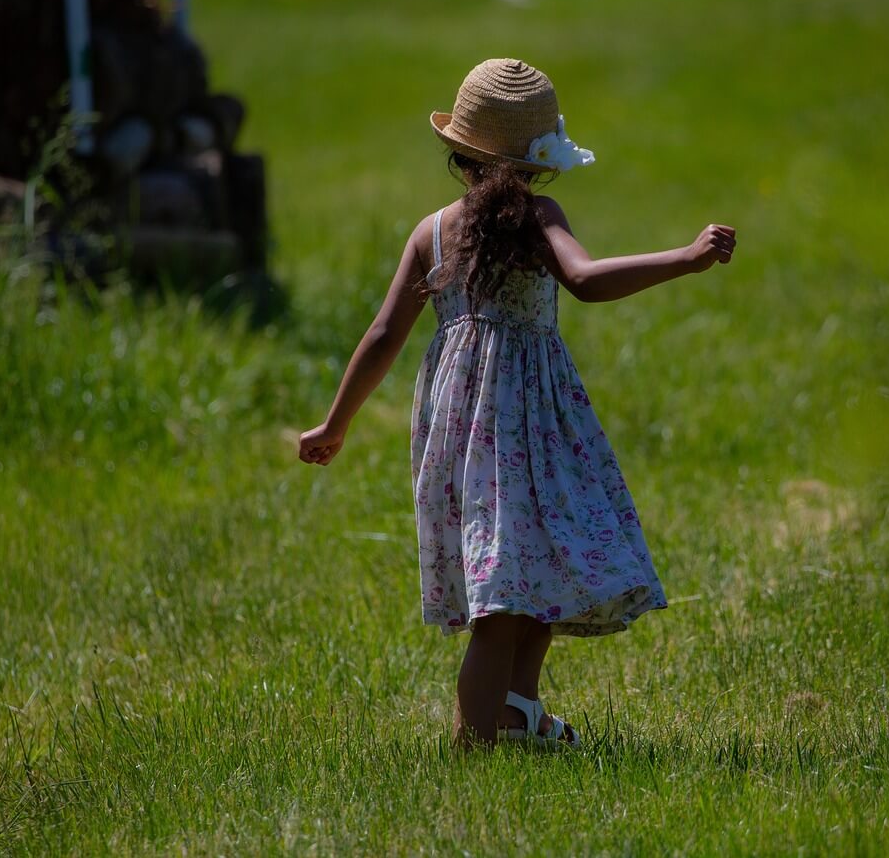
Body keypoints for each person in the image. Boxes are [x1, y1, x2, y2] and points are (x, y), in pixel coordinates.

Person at [298, 58, 737, 748]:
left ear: (461, 150)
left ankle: (515, 718)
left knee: (535, 572)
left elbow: (384, 335)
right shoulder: (537, 215)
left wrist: (336, 422)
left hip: (461, 426)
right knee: (504, 599)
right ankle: (477, 745)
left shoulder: (431, 230)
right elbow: (586, 281)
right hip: (527, 420)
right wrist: (685, 258)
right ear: (537, 161)